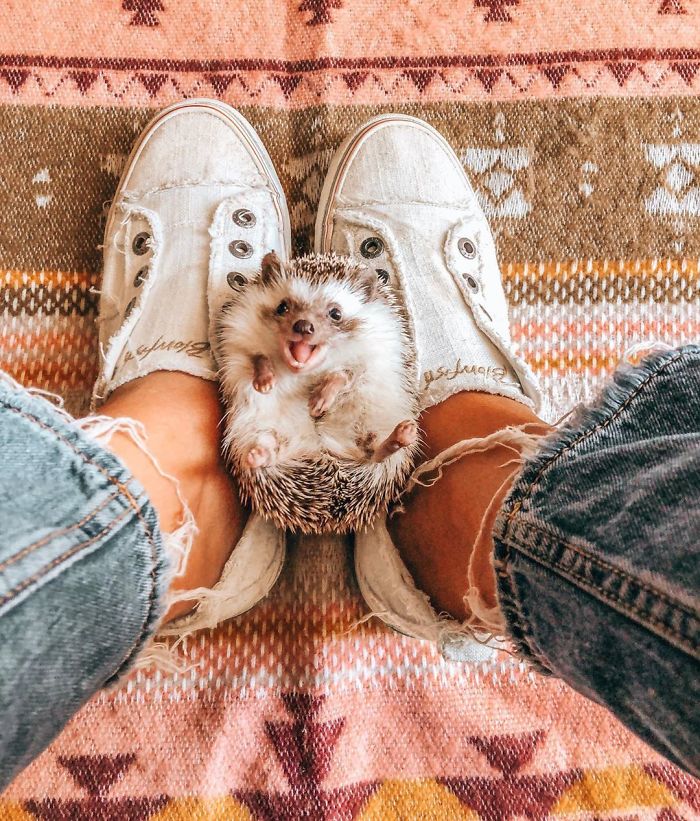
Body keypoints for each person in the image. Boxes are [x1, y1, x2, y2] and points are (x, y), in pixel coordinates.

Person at [0, 101, 697, 791]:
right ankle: (470, 512)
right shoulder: (281, 335)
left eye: (331, 313)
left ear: (362, 307)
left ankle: (168, 505)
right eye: (287, 309)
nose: (303, 322)